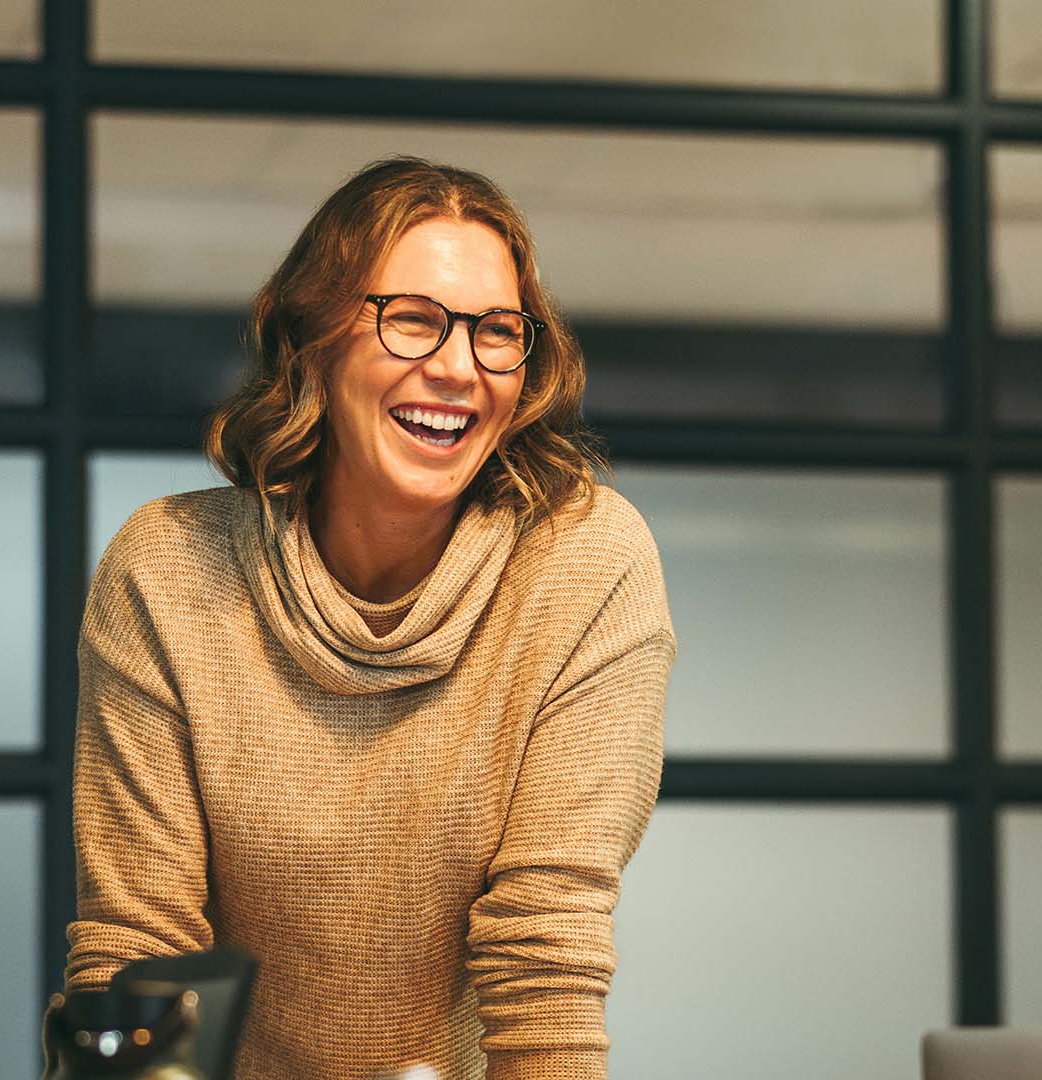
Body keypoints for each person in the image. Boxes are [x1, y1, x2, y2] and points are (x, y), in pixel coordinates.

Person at [67, 157, 675, 1080]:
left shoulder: (586, 565)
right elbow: (140, 945)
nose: (458, 369)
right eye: (413, 320)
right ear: (315, 339)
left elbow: (545, 947)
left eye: (497, 333)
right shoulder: (167, 569)